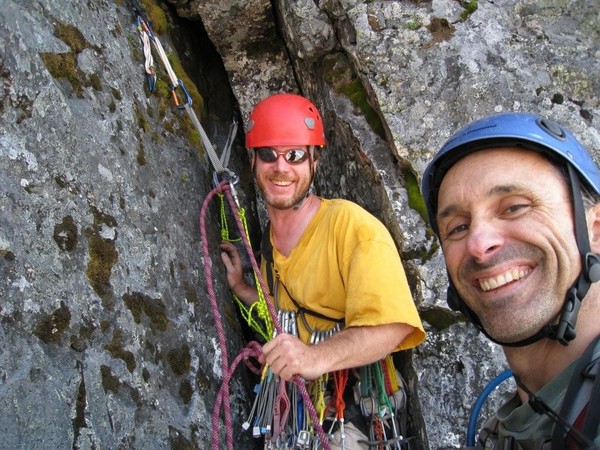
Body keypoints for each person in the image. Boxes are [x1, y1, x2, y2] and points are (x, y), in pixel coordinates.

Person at [220, 93, 425, 449]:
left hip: (353, 399)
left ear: (314, 162)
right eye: (268, 154)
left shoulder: (352, 227)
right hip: (293, 401)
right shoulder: (268, 241)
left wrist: (314, 357)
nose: (281, 167)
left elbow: (393, 325)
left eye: (295, 155)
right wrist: (242, 289)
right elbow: (288, 316)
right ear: (252, 161)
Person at [421, 112, 600, 449]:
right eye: (457, 227)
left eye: (514, 207)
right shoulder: (516, 423)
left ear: (595, 229)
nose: (478, 244)